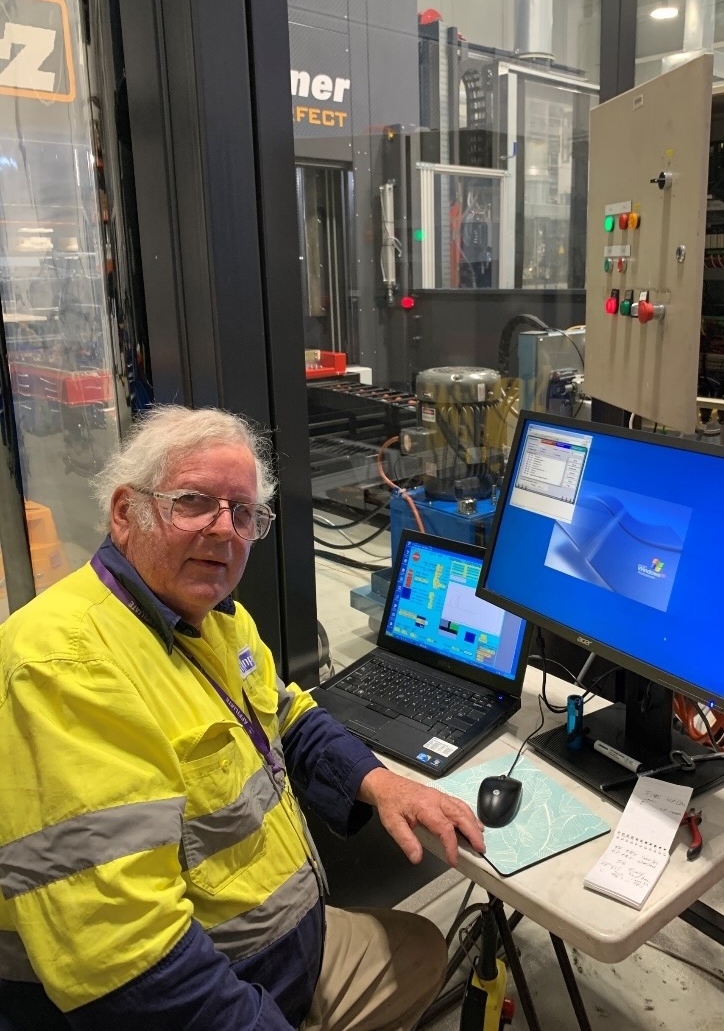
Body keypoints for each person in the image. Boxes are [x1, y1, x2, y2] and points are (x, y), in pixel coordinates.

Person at [0, 405, 486, 1031]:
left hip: (279, 951)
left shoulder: (212, 620)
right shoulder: (62, 669)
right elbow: (129, 967)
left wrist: (379, 781)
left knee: (418, 951)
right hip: (207, 988)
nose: (225, 530)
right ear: (126, 513)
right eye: (195, 501)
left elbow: (286, 715)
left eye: (243, 512)